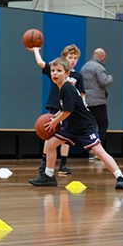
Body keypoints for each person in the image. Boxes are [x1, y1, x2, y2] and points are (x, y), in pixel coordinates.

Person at [30, 57, 123, 189]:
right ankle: (48, 176)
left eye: (59, 71)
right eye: (53, 70)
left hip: (85, 126)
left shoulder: (67, 88)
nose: (54, 73)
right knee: (51, 144)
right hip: (71, 126)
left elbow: (68, 111)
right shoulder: (62, 88)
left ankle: (121, 177)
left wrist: (55, 122)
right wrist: (55, 117)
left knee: (98, 151)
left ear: (67, 74)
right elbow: (64, 109)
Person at [32, 44, 86, 175]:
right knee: (50, 134)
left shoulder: (78, 76)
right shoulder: (56, 70)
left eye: (75, 58)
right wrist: (35, 50)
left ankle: (63, 164)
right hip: (56, 105)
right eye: (70, 57)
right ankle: (44, 164)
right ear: (64, 58)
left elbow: (82, 94)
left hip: (69, 109)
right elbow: (40, 62)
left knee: (66, 136)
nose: (72, 60)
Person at [81, 48, 114, 157]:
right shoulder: (99, 67)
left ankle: (90, 150)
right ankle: (99, 151)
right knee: (103, 125)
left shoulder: (84, 67)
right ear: (101, 57)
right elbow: (104, 82)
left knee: (90, 126)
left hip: (87, 101)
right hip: (98, 102)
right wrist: (110, 78)